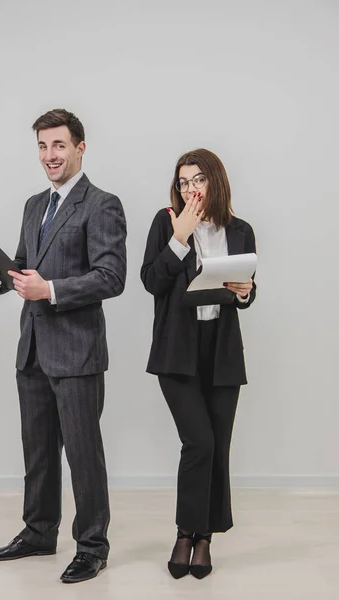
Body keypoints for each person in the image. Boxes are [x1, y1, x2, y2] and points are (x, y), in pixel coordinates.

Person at [0, 108, 127, 584]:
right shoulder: (33, 204)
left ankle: (92, 546)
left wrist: (53, 290)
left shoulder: (102, 204)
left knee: (83, 452)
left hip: (78, 351)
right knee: (38, 449)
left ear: (80, 148)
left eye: (58, 145)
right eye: (42, 146)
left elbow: (111, 276)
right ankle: (39, 532)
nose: (50, 155)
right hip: (34, 349)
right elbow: (26, 266)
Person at [140, 148, 256, 580]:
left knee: (217, 447)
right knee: (199, 443)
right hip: (177, 350)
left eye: (198, 180)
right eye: (183, 181)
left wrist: (245, 290)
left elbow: (244, 293)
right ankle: (184, 532)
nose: (190, 189)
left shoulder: (240, 230)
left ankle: (205, 536)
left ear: (215, 182)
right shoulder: (165, 221)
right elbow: (152, 281)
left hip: (222, 351)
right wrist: (178, 237)